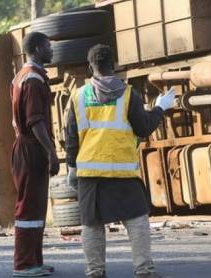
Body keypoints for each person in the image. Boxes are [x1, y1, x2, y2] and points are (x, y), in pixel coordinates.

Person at [65, 44, 174, 278]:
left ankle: (95, 271)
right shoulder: (128, 94)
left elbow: (71, 137)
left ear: (90, 67)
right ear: (113, 66)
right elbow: (143, 127)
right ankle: (144, 269)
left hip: (90, 172)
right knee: (137, 219)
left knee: (92, 224)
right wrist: (160, 108)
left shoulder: (78, 96)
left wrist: (71, 168)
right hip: (122, 171)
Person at [11, 31, 59, 277]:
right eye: (48, 46)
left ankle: (34, 261)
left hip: (27, 147)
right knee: (29, 208)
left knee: (36, 207)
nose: (52, 49)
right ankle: (23, 264)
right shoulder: (33, 79)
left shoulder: (22, 75)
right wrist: (51, 152)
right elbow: (35, 121)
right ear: (38, 48)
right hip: (31, 148)